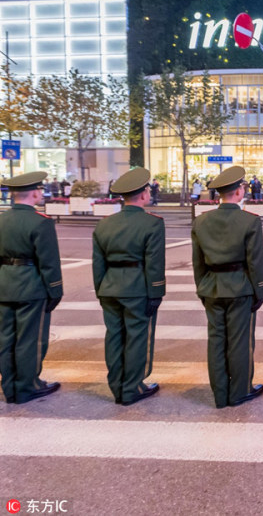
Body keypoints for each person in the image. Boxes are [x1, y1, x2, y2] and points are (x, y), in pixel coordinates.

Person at [191, 166, 263, 408]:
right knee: (239, 341)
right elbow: (255, 262)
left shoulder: (201, 221)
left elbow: (197, 262)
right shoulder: (250, 221)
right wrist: (260, 292)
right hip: (240, 288)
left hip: (211, 286)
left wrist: (202, 287)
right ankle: (240, 390)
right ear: (239, 191)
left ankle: (220, 393)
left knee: (216, 341)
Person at [92, 167, 165, 405]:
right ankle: (132, 387)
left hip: (110, 288)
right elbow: (154, 263)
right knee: (136, 338)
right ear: (143, 194)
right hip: (138, 289)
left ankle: (117, 386)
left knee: (114, 337)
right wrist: (156, 292)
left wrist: (100, 289)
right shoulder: (152, 223)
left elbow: (98, 263)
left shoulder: (104, 224)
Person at [0, 171, 62, 404]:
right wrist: (55, 291)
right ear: (35, 192)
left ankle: (9, 386)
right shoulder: (40, 222)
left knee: (6, 338)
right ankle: (27, 385)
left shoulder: (1, 219)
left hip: (4, 284)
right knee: (30, 339)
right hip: (31, 286)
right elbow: (49, 262)